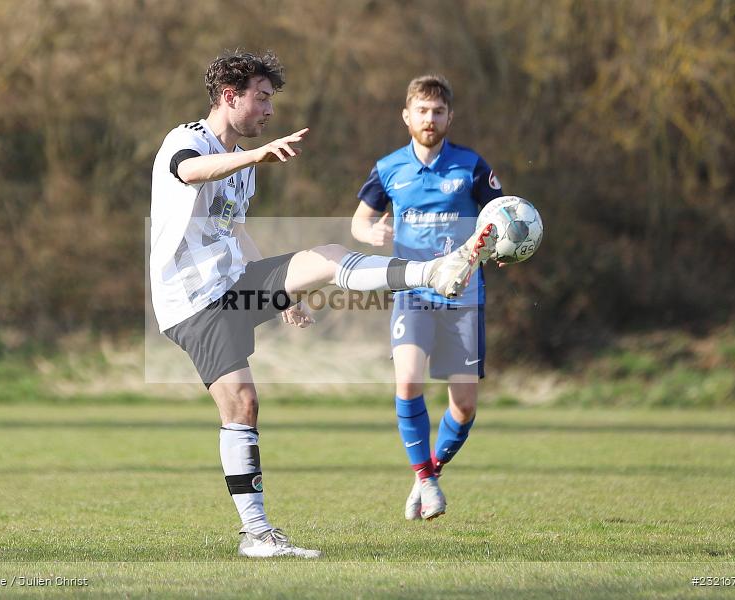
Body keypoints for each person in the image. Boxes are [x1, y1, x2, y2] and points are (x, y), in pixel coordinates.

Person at [150, 53, 495, 558]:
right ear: (230, 96)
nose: (270, 110)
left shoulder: (245, 164)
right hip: (191, 301)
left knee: (329, 257)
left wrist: (283, 294)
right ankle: (257, 535)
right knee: (242, 404)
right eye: (262, 98)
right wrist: (257, 156)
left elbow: (234, 229)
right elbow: (191, 172)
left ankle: (430, 272)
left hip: (232, 282)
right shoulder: (188, 140)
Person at [350, 74, 505, 521]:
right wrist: (372, 230)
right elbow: (359, 222)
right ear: (407, 116)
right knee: (408, 382)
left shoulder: (472, 167)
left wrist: (499, 245)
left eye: (438, 111)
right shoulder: (388, 168)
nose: (430, 118)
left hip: (464, 297)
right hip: (412, 293)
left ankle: (426, 474)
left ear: (449, 117)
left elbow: (503, 217)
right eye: (422, 110)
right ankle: (427, 480)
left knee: (465, 404)